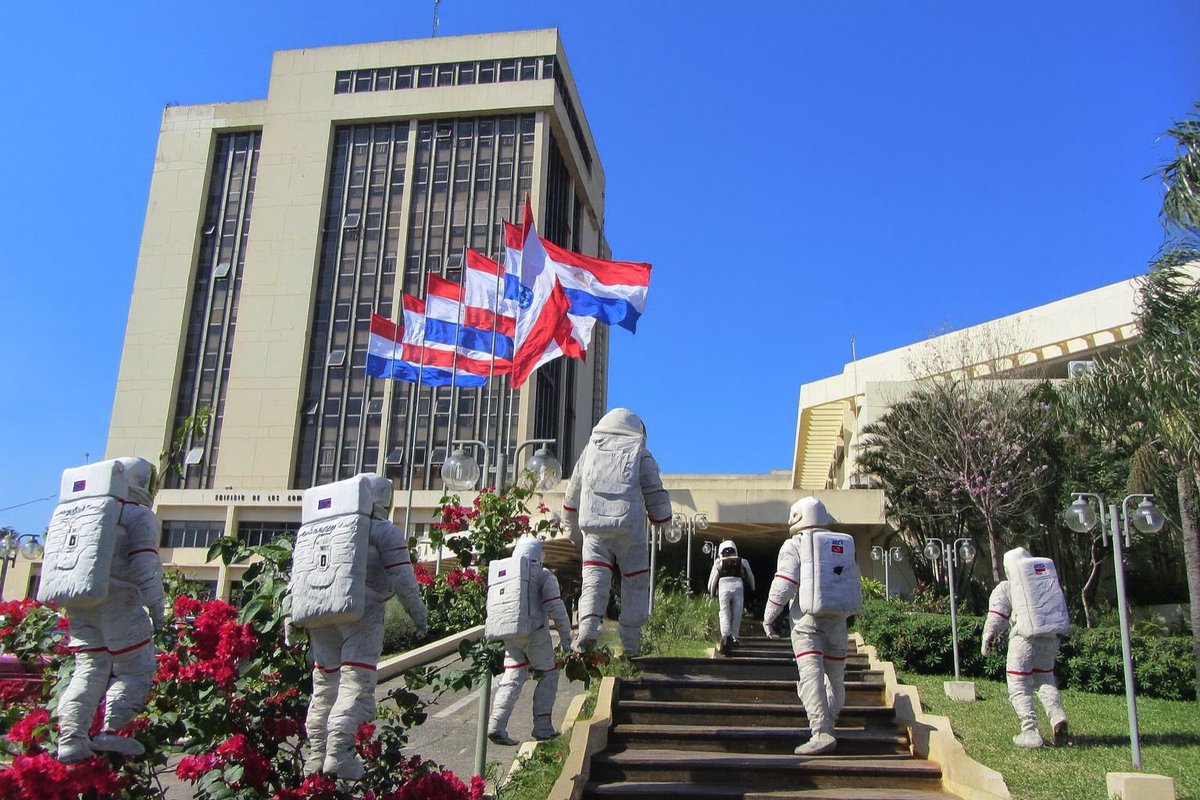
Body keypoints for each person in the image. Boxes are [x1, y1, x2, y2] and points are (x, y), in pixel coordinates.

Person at [291, 474, 427, 780]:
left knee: (324, 687)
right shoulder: (383, 531)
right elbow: (404, 581)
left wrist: (291, 619)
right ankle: (339, 755)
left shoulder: (319, 529)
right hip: (362, 613)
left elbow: (298, 575)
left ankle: (315, 755)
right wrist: (419, 618)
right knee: (355, 684)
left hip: (318, 613)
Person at [41, 457, 164, 763]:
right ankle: (115, 730)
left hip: (81, 602)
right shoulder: (138, 515)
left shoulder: (82, 513)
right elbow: (145, 565)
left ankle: (71, 738)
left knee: (89, 669)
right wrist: (158, 607)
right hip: (119, 601)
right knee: (136, 668)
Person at [563, 408, 672, 656]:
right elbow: (654, 492)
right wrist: (662, 520)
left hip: (593, 529)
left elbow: (572, 493)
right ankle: (631, 645)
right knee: (635, 583)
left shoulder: (590, 450)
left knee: (593, 581)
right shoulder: (640, 452)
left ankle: (587, 632)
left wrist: (572, 529)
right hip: (629, 531)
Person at [762, 497, 861, 756]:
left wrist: (769, 616)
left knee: (811, 675)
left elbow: (783, 583)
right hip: (838, 620)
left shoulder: (794, 544)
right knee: (836, 675)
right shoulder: (841, 542)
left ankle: (821, 731)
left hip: (806, 622)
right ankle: (831, 719)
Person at [487, 536, 573, 745]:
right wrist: (567, 640)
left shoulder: (506, 574)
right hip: (535, 632)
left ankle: (496, 724)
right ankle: (542, 727)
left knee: (513, 675)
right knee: (549, 673)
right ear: (538, 555)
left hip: (509, 632)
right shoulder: (544, 576)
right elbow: (557, 609)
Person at [982, 546, 1070, 748]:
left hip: (1023, 640)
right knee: (1045, 678)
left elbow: (996, 616)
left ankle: (1029, 730)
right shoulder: (1043, 584)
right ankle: (1057, 717)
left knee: (1018, 684)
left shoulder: (1006, 588)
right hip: (1049, 639)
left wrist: (987, 637)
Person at [707, 539, 756, 654]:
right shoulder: (743, 561)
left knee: (724, 612)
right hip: (738, 586)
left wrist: (711, 591)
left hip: (723, 586)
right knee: (737, 612)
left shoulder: (718, 562)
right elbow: (750, 575)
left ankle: (725, 635)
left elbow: (712, 579)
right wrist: (753, 587)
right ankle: (734, 635)